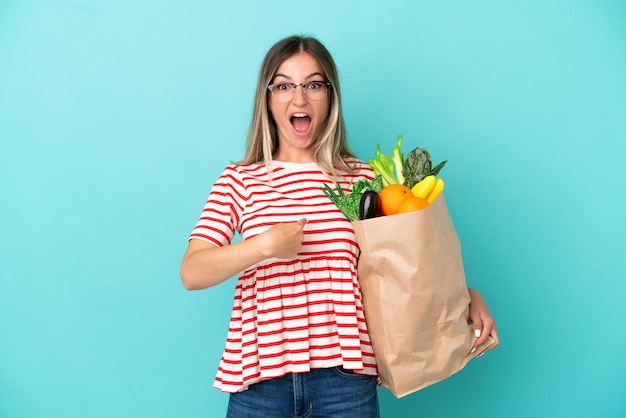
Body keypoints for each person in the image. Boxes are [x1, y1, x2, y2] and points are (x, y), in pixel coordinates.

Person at [180, 35, 499, 418]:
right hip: (260, 382)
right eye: (283, 85)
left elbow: (402, 271)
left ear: (330, 96)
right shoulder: (239, 180)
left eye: (313, 84)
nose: (299, 99)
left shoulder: (361, 180)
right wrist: (263, 246)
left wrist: (466, 297)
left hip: (345, 384)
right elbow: (192, 271)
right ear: (267, 98)